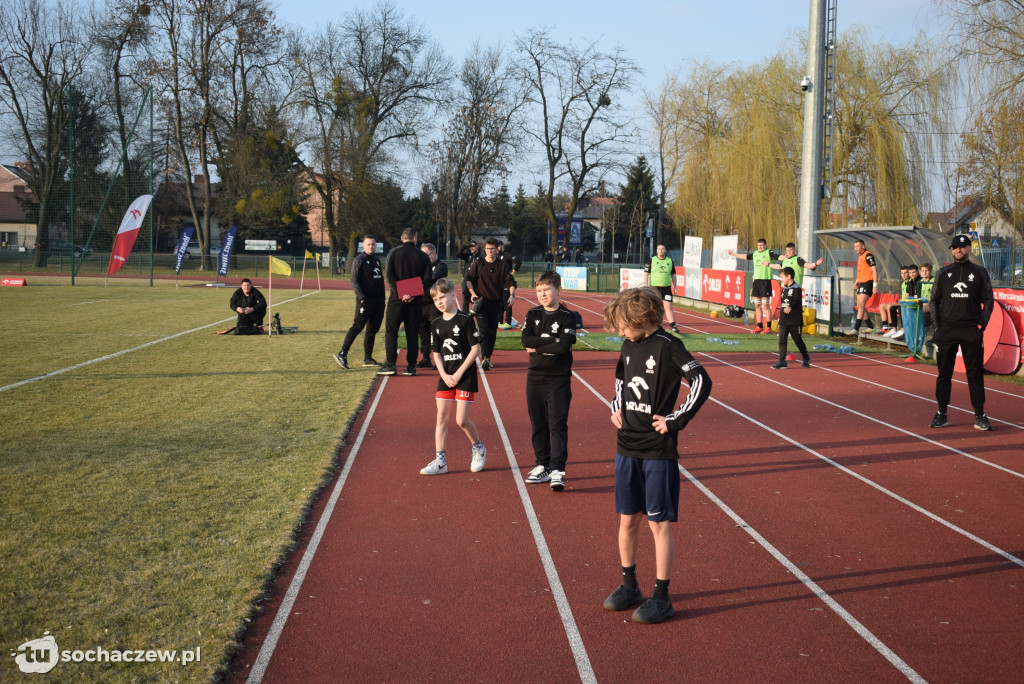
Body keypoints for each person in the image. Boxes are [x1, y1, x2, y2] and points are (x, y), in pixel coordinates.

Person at [601, 287, 712, 624]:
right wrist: (616, 407)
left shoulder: (668, 346)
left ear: (642, 319)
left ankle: (661, 597)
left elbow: (701, 381)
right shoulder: (627, 345)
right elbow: (621, 379)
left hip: (657, 452)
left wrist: (676, 420)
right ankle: (629, 585)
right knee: (627, 519)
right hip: (626, 447)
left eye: (623, 325)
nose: (619, 332)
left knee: (657, 524)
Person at [419, 278, 487, 475]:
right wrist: (444, 375)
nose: (439, 302)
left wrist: (457, 374)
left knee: (461, 420)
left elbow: (476, 349)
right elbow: (437, 353)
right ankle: (441, 461)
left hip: (464, 376)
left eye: (442, 297)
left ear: (453, 295)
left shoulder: (465, 319)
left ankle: (478, 448)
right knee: (441, 417)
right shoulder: (436, 323)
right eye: (435, 299)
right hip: (446, 376)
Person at [929, 234, 995, 431]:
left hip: (970, 331)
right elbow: (934, 300)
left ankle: (980, 415)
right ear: (952, 249)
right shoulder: (943, 272)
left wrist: (982, 325)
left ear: (969, 249)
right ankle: (941, 413)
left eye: (962, 246)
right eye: (955, 247)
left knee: (975, 374)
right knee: (944, 374)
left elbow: (989, 300)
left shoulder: (980, 272)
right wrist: (937, 326)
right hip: (947, 330)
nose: (958, 249)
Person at [521, 271, 578, 492]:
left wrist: (539, 344)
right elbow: (525, 341)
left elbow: (564, 346)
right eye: (539, 290)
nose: (542, 294)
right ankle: (542, 464)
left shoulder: (568, 316)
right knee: (538, 425)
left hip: (558, 379)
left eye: (546, 290)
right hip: (534, 378)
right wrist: (553, 340)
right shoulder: (532, 313)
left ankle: (557, 470)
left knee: (557, 424)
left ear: (558, 290)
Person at [380, 228, 432, 376]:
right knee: (412, 334)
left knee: (391, 332)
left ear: (402, 238)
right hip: (415, 303)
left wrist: (401, 293)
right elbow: (428, 278)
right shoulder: (423, 256)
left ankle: (391, 365)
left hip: (396, 301)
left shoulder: (394, 253)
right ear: (415, 239)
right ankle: (411, 366)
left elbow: (389, 275)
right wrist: (413, 294)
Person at [465, 238, 517, 370]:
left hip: (496, 304)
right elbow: (469, 279)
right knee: (483, 332)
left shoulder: (502, 265)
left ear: (497, 249)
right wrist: (472, 293)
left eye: (492, 248)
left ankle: (488, 356)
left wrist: (512, 295)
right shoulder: (479, 263)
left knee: (492, 332)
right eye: (487, 249)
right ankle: (485, 358)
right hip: (481, 303)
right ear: (484, 249)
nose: (490, 251)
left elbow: (511, 282)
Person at [335, 236, 385, 369]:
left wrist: (382, 298)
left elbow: (380, 280)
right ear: (363, 246)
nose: (371, 247)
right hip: (365, 301)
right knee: (358, 326)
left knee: (372, 330)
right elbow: (354, 280)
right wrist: (361, 297)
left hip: (378, 302)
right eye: (368, 244)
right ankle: (342, 353)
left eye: (373, 244)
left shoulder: (377, 259)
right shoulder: (359, 260)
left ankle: (368, 358)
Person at [728, 239, 778, 334]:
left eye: (761, 245)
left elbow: (778, 257)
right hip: (756, 281)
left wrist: (787, 256)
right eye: (758, 245)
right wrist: (734, 254)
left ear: (765, 245)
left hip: (765, 281)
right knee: (757, 305)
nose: (760, 247)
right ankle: (759, 326)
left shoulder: (769, 252)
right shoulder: (755, 253)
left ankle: (768, 327)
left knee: (765, 305)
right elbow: (745, 256)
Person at [771, 267, 811, 369]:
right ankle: (782, 361)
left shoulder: (797, 288)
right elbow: (783, 303)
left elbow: (796, 301)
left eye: (782, 277)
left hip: (795, 320)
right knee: (782, 340)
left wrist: (791, 307)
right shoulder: (784, 288)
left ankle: (806, 357)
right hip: (784, 319)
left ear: (789, 277)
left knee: (797, 340)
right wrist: (780, 315)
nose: (781, 279)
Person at [416, 242, 449, 368]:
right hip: (421, 304)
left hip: (435, 304)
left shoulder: (441, 266)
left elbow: (432, 278)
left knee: (437, 332)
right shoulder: (421, 267)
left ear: (433, 254)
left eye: (424, 255)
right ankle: (425, 357)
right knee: (423, 332)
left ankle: (440, 359)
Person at [645, 244, 679, 333]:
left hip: (666, 288)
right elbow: (646, 273)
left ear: (665, 251)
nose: (660, 250)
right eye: (659, 249)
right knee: (654, 308)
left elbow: (673, 275)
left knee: (668, 307)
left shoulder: (670, 261)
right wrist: (646, 285)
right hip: (654, 288)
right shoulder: (652, 260)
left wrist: (675, 286)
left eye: (662, 249)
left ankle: (673, 326)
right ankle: (652, 325)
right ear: (656, 250)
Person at [851, 239, 878, 335]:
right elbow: (862, 270)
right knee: (859, 306)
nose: (856, 249)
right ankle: (870, 327)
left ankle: (856, 329)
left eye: (857, 246)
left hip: (868, 283)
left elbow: (874, 270)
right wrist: (857, 281)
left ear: (863, 246)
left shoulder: (868, 255)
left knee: (861, 305)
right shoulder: (860, 256)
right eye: (854, 247)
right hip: (861, 282)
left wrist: (875, 285)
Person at [877, 266, 909, 336]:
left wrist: (897, 303)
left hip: (906, 303)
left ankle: (892, 327)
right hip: (902, 302)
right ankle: (885, 327)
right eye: (902, 273)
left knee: (890, 306)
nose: (903, 275)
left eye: (905, 273)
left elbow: (907, 298)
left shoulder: (910, 283)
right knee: (882, 305)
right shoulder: (903, 283)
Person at [497, 241, 522, 329]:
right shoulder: (496, 256)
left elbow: (518, 262)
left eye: (499, 246)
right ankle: (499, 321)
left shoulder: (507, 255)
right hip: (498, 283)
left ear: (502, 246)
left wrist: (513, 272)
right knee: (499, 303)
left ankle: (508, 322)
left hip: (506, 282)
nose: (497, 248)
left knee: (507, 302)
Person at [457, 241, 482, 313]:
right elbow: (458, 254)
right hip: (466, 279)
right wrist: (465, 245)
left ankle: (477, 315)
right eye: (470, 246)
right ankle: (465, 316)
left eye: (473, 246)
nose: (472, 248)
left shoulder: (480, 257)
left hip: (476, 281)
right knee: (465, 296)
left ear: (477, 246)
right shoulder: (468, 256)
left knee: (476, 299)